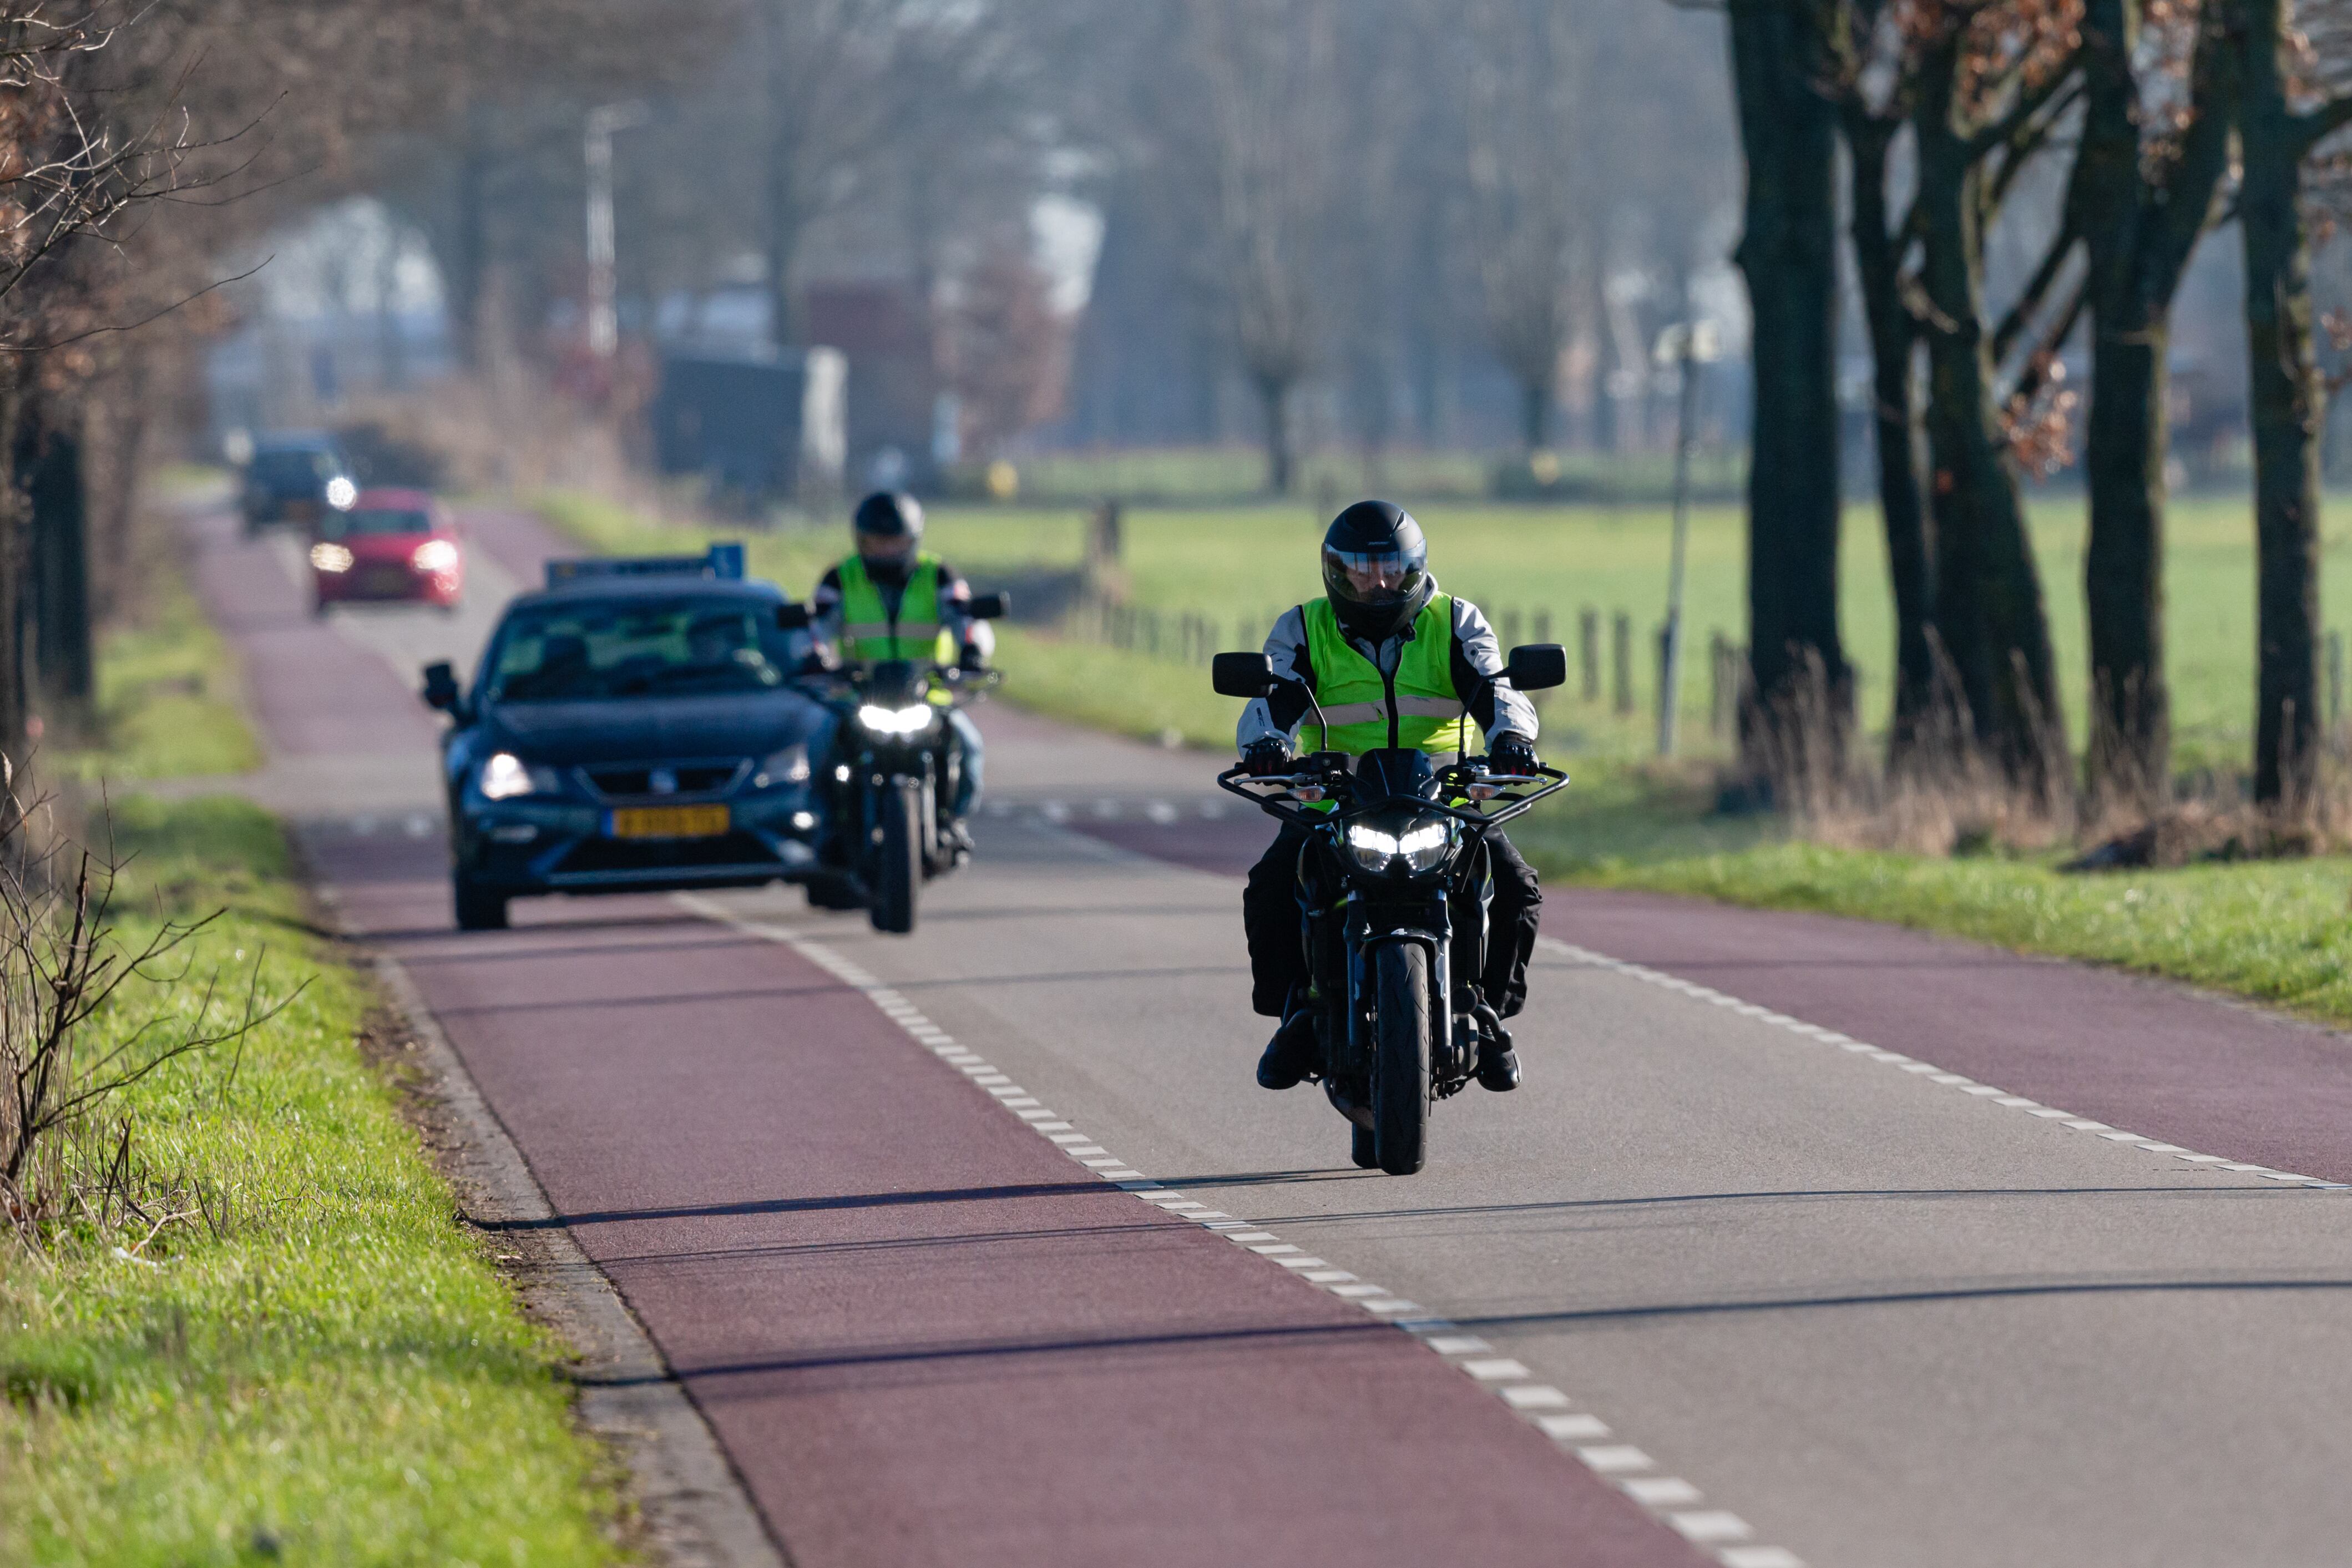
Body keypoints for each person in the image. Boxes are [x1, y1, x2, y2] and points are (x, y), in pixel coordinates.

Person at [1239, 499, 1544, 1095]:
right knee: (1271, 886)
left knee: (1515, 886)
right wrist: (1267, 744)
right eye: (1360, 569)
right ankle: (1295, 1015)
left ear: (1414, 567)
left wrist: (1511, 738)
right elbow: (1272, 698)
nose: (1376, 582)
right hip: (1336, 797)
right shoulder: (1303, 627)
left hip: (1442, 796)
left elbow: (1495, 685)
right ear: (1335, 572)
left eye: (1390, 568)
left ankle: (1487, 1014)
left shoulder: (1455, 620)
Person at [809, 491, 991, 843]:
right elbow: (815, 627)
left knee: (969, 747)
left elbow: (967, 619)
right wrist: (814, 657)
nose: (887, 551)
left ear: (912, 540)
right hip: (860, 695)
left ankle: (954, 822)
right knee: (819, 745)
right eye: (878, 542)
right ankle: (826, 827)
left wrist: (972, 651)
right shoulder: (840, 577)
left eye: (895, 542)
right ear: (861, 541)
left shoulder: (938, 575)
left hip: (927, 694)